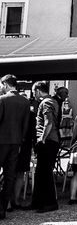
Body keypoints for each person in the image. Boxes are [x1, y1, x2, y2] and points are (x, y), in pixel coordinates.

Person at [0, 75, 30, 218]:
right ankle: (3, 209)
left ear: (5, 84)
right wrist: (21, 139)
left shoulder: (2, 99)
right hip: (16, 141)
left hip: (1, 141)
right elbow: (25, 124)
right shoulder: (25, 101)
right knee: (9, 176)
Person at [31, 80, 60, 213]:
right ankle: (37, 201)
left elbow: (48, 123)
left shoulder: (46, 102)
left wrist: (41, 139)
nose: (33, 95)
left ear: (37, 91)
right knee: (41, 172)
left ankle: (49, 203)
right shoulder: (53, 101)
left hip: (48, 141)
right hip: (52, 140)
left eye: (33, 92)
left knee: (45, 172)